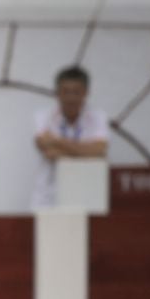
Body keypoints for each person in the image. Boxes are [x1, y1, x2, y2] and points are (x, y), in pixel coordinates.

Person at [31, 65, 110, 208]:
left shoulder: (98, 117)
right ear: (57, 93)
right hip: (49, 197)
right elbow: (48, 152)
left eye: (76, 92)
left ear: (86, 92)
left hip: (87, 194)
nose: (70, 98)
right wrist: (87, 153)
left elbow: (100, 150)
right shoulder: (43, 116)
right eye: (65, 92)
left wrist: (56, 141)